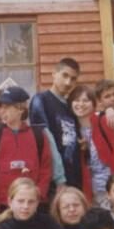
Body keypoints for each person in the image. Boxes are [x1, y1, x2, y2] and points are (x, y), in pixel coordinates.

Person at [0, 87, 52, 210]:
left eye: (6, 107)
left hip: (32, 204)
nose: (1, 111)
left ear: (20, 108)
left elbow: (46, 169)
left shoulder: (38, 136)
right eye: (0, 107)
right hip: (5, 206)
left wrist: (39, 194)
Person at [68, 84, 114, 206]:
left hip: (112, 189)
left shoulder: (106, 121)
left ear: (94, 103)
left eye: (85, 100)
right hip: (90, 192)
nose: (80, 104)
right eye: (76, 100)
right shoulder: (73, 129)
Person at [30, 57, 82, 193]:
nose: (68, 82)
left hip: (75, 177)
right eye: (65, 75)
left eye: (73, 79)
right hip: (54, 181)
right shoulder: (40, 100)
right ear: (53, 74)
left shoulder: (72, 105)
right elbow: (46, 140)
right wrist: (59, 179)